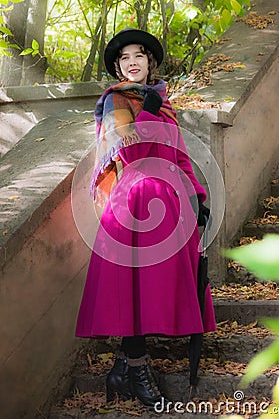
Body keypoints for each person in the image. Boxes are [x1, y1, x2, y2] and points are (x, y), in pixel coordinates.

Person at [75, 28, 216, 408]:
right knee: (132, 288)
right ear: (119, 67)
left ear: (150, 62)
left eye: (139, 55)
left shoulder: (163, 103)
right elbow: (129, 149)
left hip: (168, 202)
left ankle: (123, 368)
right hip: (133, 201)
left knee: (149, 291)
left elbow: (180, 155)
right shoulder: (117, 101)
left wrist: (198, 198)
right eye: (125, 58)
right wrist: (149, 109)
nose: (132, 61)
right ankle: (136, 372)